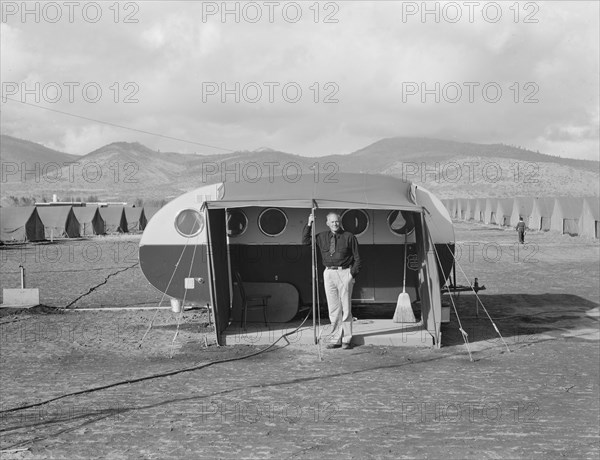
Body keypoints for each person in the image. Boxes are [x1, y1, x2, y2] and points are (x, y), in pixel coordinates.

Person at [302, 212, 361, 349]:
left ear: (340, 222)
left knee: (346, 308)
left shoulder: (349, 237)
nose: (335, 224)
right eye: (332, 222)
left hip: (344, 272)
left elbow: (358, 259)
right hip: (328, 273)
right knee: (333, 308)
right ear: (327, 223)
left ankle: (347, 338)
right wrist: (309, 223)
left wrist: (351, 275)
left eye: (337, 221)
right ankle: (336, 338)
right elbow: (305, 241)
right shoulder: (321, 236)